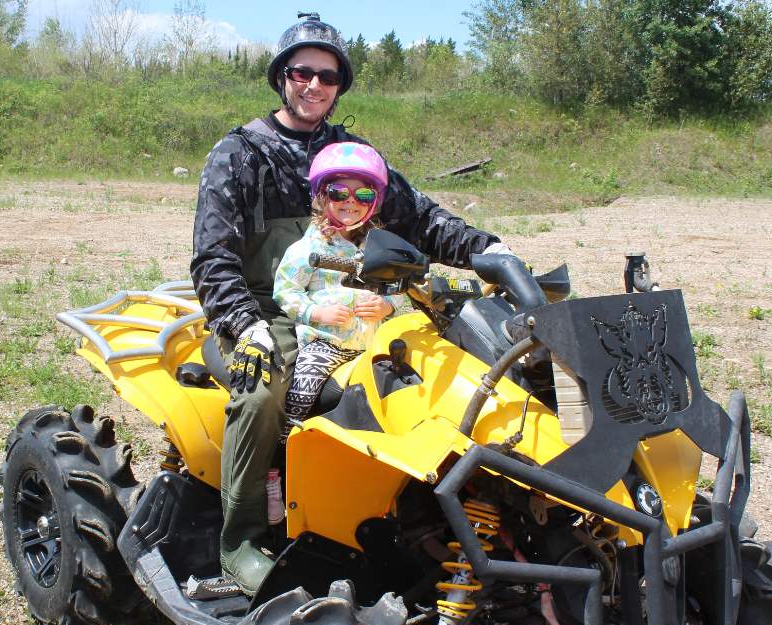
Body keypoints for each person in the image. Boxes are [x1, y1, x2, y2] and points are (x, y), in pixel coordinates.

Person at [190, 12, 532, 595]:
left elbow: (418, 216)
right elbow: (212, 256)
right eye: (303, 72)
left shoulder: (350, 151)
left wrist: (484, 249)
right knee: (264, 388)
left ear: (340, 85)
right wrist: (243, 325)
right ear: (281, 78)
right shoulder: (241, 153)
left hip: (352, 304)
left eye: (328, 76)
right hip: (269, 308)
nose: (314, 85)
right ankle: (241, 540)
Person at [273, 142, 397, 490]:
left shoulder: (376, 246)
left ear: (374, 202)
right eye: (339, 191)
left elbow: (392, 286)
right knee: (300, 393)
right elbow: (285, 291)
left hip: (368, 345)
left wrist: (387, 306)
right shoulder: (308, 248)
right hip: (325, 343)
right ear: (321, 196)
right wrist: (318, 311)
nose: (350, 202)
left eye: (362, 195)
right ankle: (276, 467)